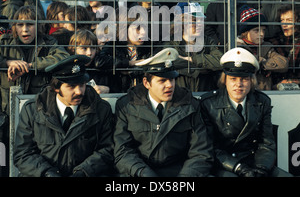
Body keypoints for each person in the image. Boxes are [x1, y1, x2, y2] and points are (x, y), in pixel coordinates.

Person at [113, 48, 214, 177]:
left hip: (179, 171)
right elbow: (122, 151)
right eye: (162, 81)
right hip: (140, 171)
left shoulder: (190, 105)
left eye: (172, 79)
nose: (170, 85)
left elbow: (201, 152)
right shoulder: (127, 105)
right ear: (146, 83)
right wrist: (142, 172)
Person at [13, 54, 115, 177]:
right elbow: (23, 154)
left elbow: (107, 150)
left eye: (82, 84)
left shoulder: (100, 109)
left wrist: (83, 172)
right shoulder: (33, 109)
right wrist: (47, 173)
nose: (79, 91)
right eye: (71, 86)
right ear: (56, 88)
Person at [200, 47, 292, 177]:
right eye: (233, 79)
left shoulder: (262, 101)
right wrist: (238, 168)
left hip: (254, 162)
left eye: (244, 79)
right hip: (225, 165)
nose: (239, 84)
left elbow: (267, 143)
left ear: (251, 81)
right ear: (224, 81)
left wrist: (261, 168)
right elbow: (209, 148)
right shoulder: (208, 104)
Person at [237, 5, 288, 90]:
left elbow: (283, 63)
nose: (261, 34)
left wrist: (263, 64)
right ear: (245, 32)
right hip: (245, 91)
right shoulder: (237, 46)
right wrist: (262, 60)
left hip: (266, 92)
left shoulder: (266, 46)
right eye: (256, 30)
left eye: (263, 30)